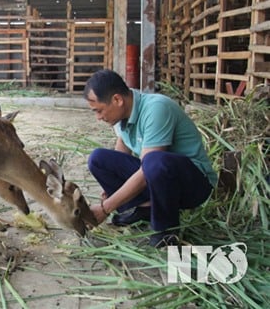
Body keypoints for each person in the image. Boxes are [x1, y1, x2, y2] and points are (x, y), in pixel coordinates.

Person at [84, 69, 217, 248]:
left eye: (99, 111)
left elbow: (146, 171)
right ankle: (146, 209)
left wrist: (106, 208)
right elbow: (120, 155)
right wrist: (111, 192)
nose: (98, 118)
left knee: (154, 162)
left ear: (117, 100)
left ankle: (167, 229)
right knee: (98, 159)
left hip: (192, 185)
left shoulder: (157, 108)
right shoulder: (121, 116)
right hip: (158, 179)